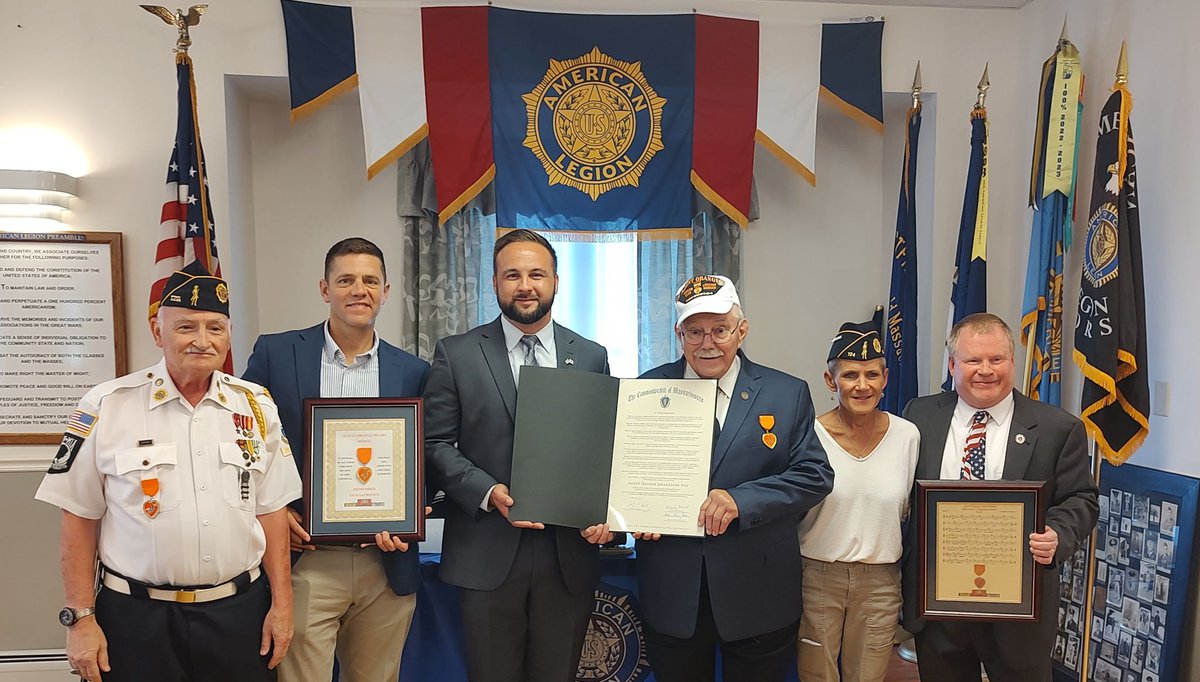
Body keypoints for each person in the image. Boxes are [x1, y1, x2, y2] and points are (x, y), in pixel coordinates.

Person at [35, 261, 301, 682]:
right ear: (158, 332)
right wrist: (80, 619)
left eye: (215, 327)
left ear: (229, 334)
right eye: (186, 327)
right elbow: (78, 517)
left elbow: (271, 512)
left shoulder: (255, 405)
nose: (202, 340)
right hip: (136, 619)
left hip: (238, 614)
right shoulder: (107, 405)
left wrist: (282, 606)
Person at [423, 228, 612, 682]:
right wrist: (488, 491)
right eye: (512, 275)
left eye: (536, 274)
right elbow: (433, 444)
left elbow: (603, 446)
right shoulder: (458, 354)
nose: (525, 285)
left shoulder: (590, 355)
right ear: (494, 283)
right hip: (487, 548)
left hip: (567, 553)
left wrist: (611, 511)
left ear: (555, 282)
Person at [242, 237, 430, 682]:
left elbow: (428, 454)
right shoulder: (276, 353)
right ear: (325, 289)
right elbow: (243, 441)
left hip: (386, 564)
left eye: (369, 281)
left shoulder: (414, 370)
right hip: (306, 559)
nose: (358, 290)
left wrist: (414, 511)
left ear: (386, 291)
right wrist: (273, 511)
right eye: (345, 280)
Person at [634, 274, 833, 682]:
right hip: (672, 592)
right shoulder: (646, 390)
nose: (707, 343)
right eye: (695, 331)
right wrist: (630, 511)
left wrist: (742, 501)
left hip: (758, 594)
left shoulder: (786, 392)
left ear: (741, 330)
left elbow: (814, 475)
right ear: (679, 334)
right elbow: (625, 473)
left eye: (720, 330)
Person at [901, 313, 1099, 682]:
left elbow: (1082, 499)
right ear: (953, 365)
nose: (985, 370)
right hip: (939, 608)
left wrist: (1057, 533)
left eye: (996, 359)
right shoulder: (919, 415)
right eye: (973, 360)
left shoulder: (1059, 427)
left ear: (1012, 361)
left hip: (1019, 610)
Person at [795, 315, 920, 682]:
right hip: (816, 577)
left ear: (885, 378)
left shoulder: (908, 436)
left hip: (880, 583)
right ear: (830, 380)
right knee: (816, 675)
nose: (862, 386)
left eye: (872, 375)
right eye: (850, 375)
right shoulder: (807, 435)